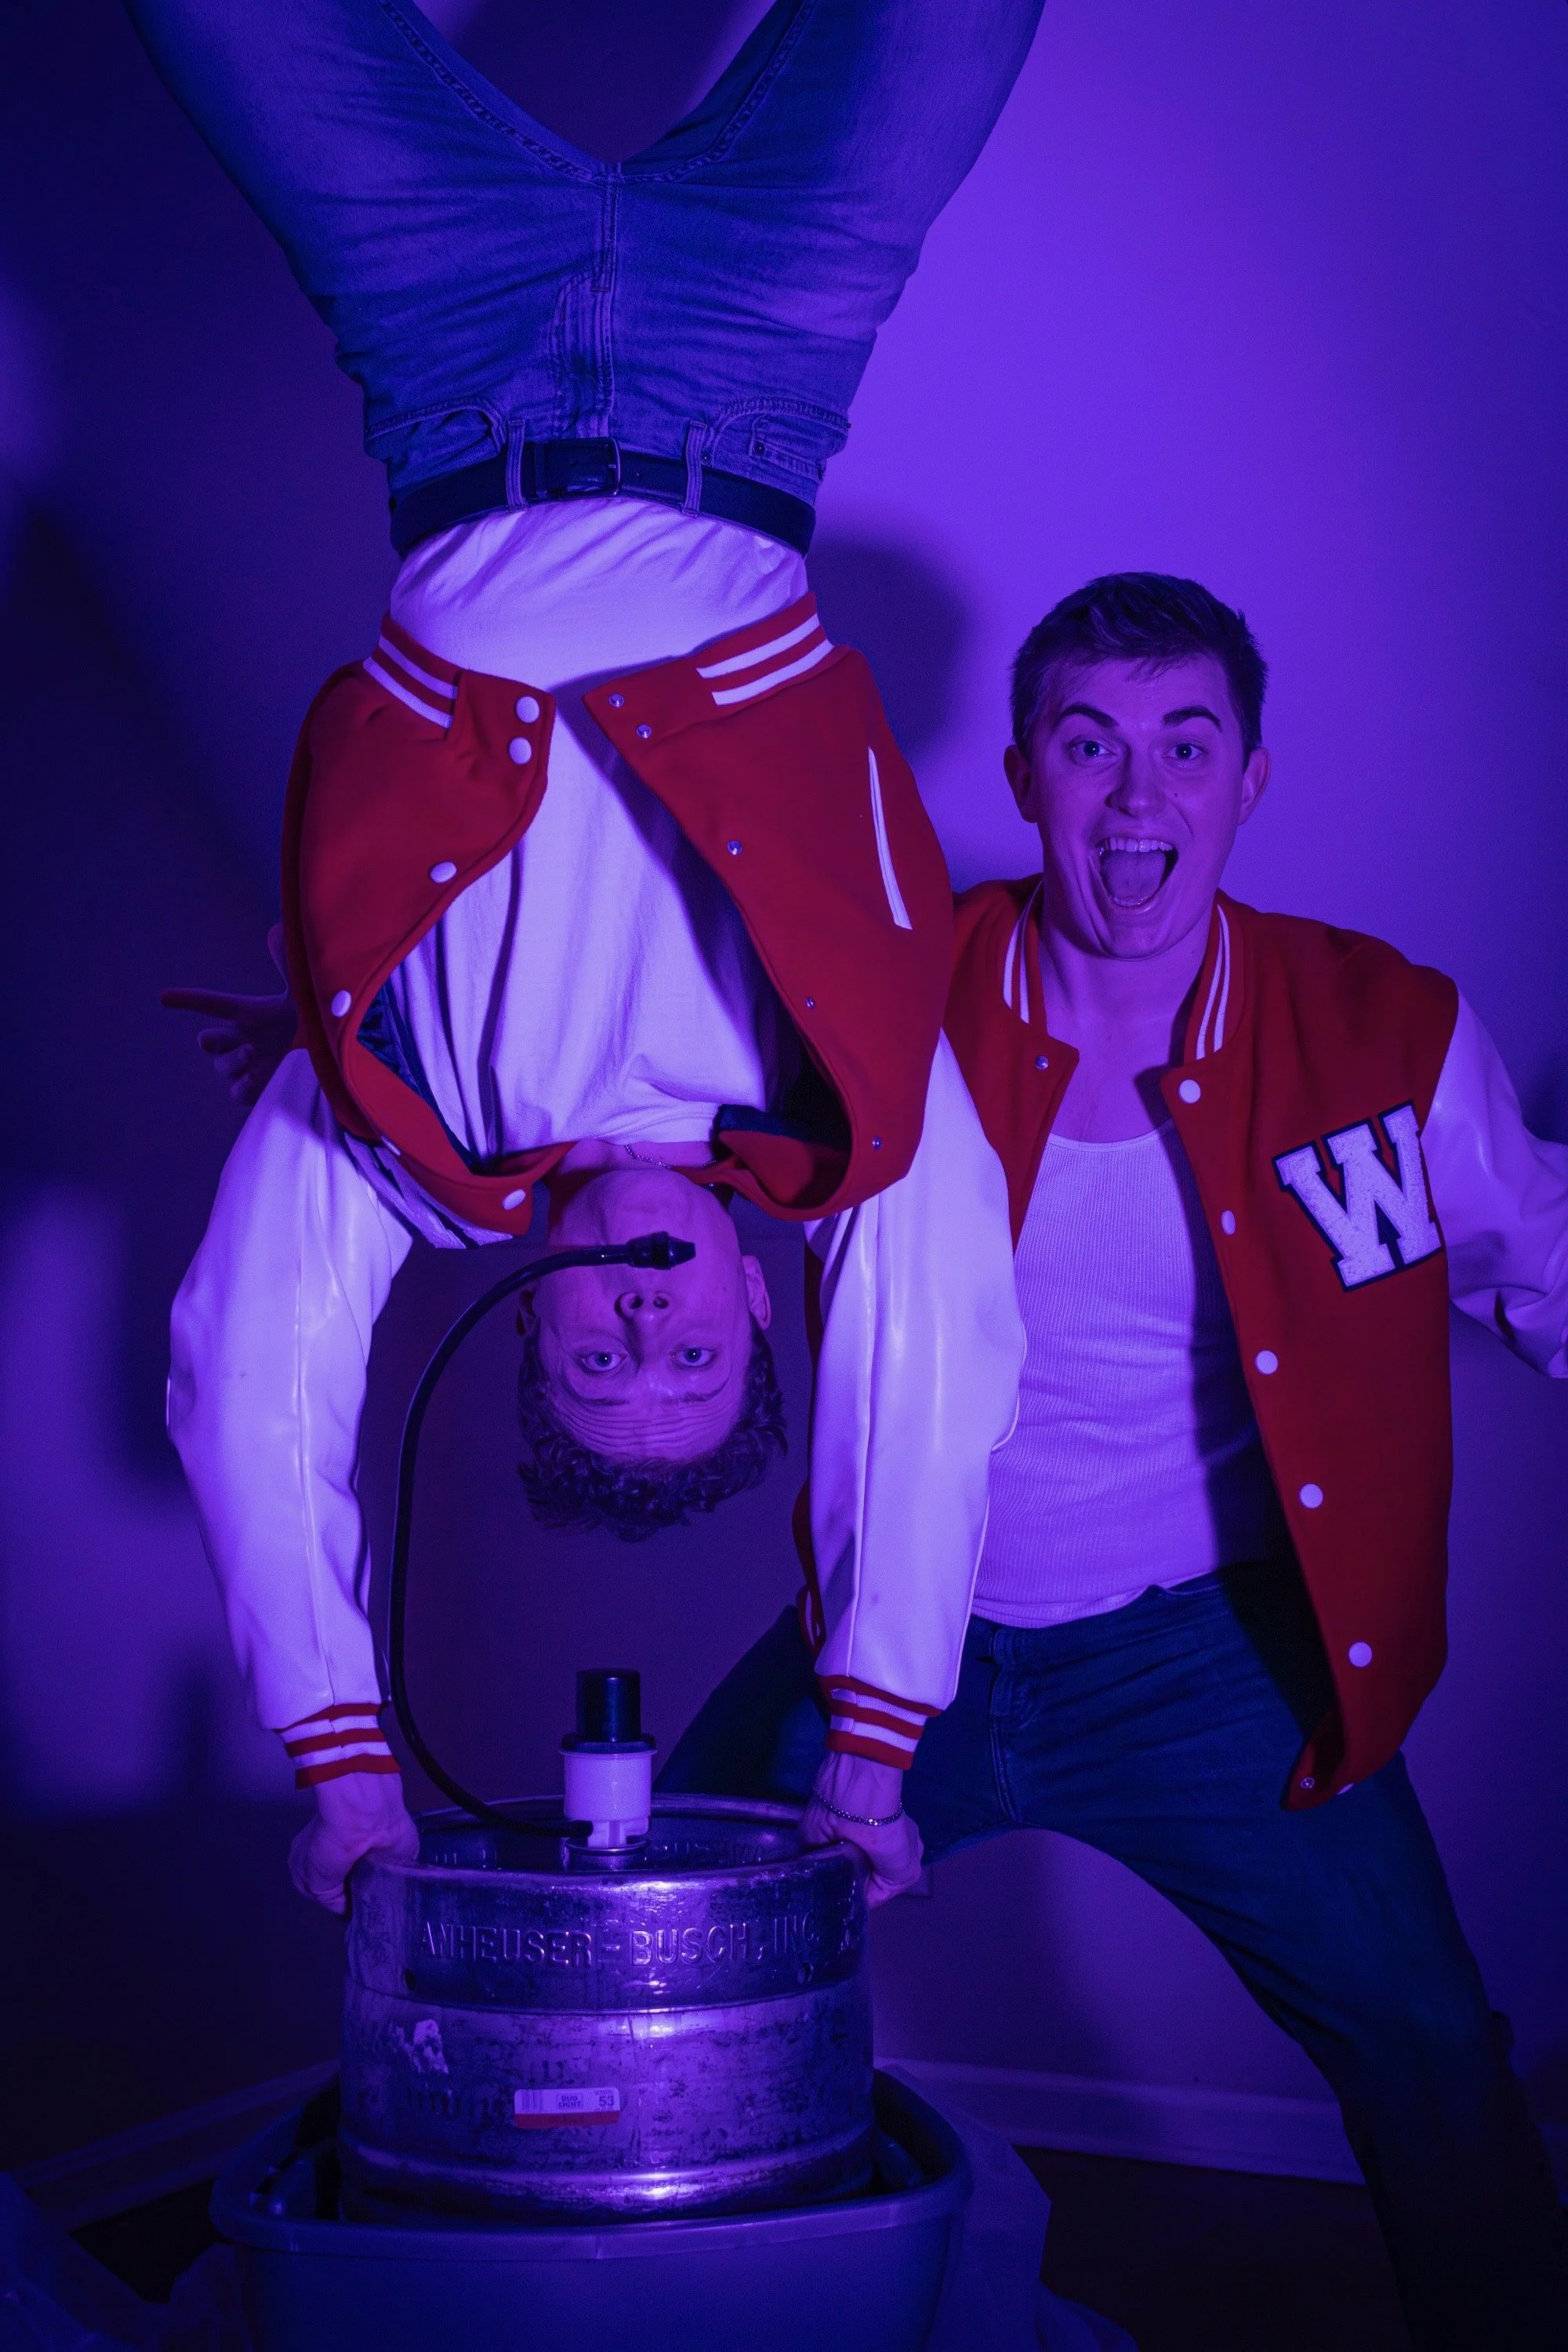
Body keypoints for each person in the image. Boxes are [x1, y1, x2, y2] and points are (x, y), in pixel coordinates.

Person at [135, 0, 1042, 1911]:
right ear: (752, 1296)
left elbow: (248, 1378)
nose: (647, 1321)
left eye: (600, 1350)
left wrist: (351, 1781)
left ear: (518, 1301)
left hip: (440, 345)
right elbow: (941, 1365)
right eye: (695, 1350)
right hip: (769, 354)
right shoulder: (858, 1121)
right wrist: (873, 1748)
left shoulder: (403, 1139)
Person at [662, 572, 1568, 2348]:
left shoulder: (1379, 1029)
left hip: (1197, 1659)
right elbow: (631, 1082)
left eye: (1182, 746)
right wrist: (360, 1053)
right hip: (892, 1651)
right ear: (1022, 772)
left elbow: (1535, 1255)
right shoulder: (886, 982)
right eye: (1089, 746)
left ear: (1248, 779)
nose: (1135, 797)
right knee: (667, 1938)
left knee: (1429, 2052)